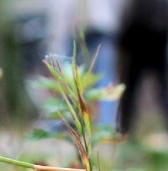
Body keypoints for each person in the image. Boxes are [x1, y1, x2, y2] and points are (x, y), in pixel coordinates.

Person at [46, 0, 124, 131]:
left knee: (96, 79)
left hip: (95, 28)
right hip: (86, 27)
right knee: (74, 78)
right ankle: (76, 122)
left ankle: (103, 126)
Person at [117, 0, 168, 140]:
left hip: (140, 45)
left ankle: (124, 129)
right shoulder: (163, 6)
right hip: (155, 43)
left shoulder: (139, 5)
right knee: (162, 89)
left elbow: (129, 18)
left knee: (131, 90)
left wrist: (123, 42)